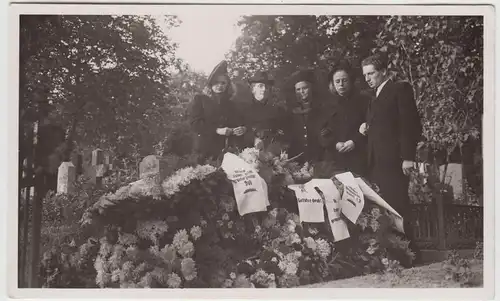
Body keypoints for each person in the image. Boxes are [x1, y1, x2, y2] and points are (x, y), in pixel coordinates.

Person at [360, 52, 423, 267]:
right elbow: (383, 125)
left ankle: (411, 253)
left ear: (384, 71)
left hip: (394, 161)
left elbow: (409, 125)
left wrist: (408, 157)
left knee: (398, 206)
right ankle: (395, 255)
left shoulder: (399, 89)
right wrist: (366, 128)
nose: (368, 78)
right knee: (385, 209)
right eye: (365, 74)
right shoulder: (374, 96)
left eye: (372, 73)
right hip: (377, 161)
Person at [188, 60, 248, 161]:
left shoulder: (231, 104)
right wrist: (217, 130)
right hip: (203, 151)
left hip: (225, 152)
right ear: (211, 83)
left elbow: (239, 122)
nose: (220, 85)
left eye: (223, 83)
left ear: (227, 85)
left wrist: (241, 129)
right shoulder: (200, 100)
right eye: (216, 82)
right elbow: (194, 124)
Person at [319, 60, 370, 177]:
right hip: (335, 161)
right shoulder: (327, 105)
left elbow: (371, 126)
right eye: (337, 81)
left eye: (344, 80)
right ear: (333, 83)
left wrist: (355, 142)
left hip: (359, 158)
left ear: (351, 81)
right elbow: (321, 133)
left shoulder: (364, 101)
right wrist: (335, 144)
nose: (341, 85)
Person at [282, 69, 327, 164]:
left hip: (318, 159)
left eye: (304, 88)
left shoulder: (321, 110)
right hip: (297, 160)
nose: (301, 92)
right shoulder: (290, 114)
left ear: (311, 88)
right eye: (298, 89)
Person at [241, 71, 287, 151]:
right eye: (260, 86)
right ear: (252, 89)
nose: (264, 89)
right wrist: (253, 139)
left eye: (267, 87)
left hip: (272, 153)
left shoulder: (278, 110)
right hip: (248, 153)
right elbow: (239, 133)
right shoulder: (243, 110)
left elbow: (283, 133)